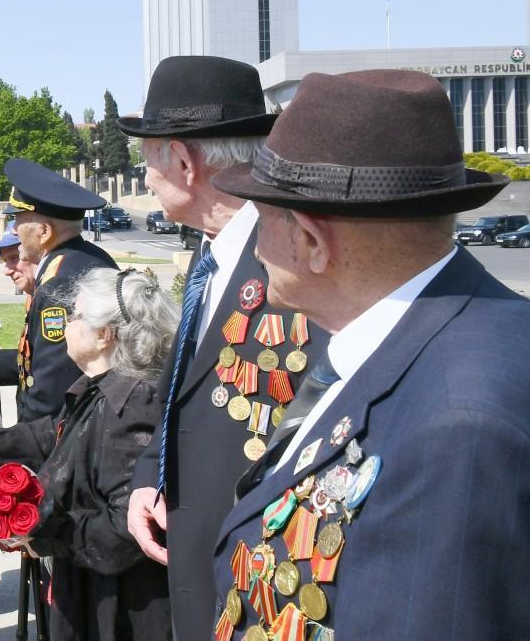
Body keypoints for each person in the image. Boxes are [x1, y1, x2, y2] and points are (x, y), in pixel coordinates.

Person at [209, 69, 527, 639]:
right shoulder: (415, 337)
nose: (253, 244)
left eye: (261, 214)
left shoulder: (458, 429)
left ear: (310, 242)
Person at [117, 56, 327, 641]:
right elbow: (180, 393)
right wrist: (148, 477)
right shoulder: (210, 256)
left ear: (183, 162)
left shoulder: (294, 262)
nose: (144, 178)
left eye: (148, 160)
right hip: (194, 573)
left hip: (261, 593)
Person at [0, 267, 180, 640]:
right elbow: (47, 437)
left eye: (76, 315)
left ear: (104, 335)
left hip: (116, 613)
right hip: (91, 594)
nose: (66, 324)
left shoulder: (132, 405)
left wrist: (43, 532)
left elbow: (122, 533)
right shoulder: (102, 389)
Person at [0, 158, 118, 423]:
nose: (14, 229)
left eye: (18, 219)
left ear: (44, 231)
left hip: (65, 441)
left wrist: (24, 449)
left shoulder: (59, 285)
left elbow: (52, 392)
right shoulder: (90, 258)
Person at [0, 219, 37, 297]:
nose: (7, 271)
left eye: (15, 257)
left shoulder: (54, 297)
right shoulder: (34, 297)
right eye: (5, 260)